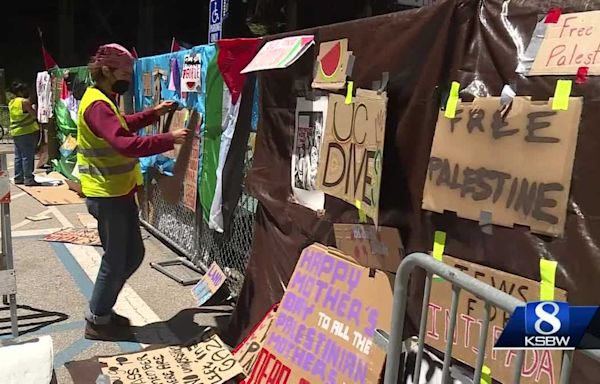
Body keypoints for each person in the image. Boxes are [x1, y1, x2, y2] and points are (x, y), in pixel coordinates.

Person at [77, 43, 188, 340]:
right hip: (107, 195)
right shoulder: (97, 105)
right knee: (115, 259)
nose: (127, 77)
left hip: (119, 192)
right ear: (106, 70)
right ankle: (98, 319)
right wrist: (169, 138)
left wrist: (154, 113)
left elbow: (123, 125)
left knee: (133, 254)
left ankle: (103, 306)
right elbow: (124, 142)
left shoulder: (104, 99)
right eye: (123, 72)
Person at [9, 81, 41, 186]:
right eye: (25, 90)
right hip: (26, 131)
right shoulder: (24, 102)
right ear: (21, 92)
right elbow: (34, 115)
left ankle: (18, 177)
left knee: (18, 155)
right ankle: (29, 178)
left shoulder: (12, 102)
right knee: (27, 155)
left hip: (15, 132)